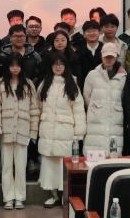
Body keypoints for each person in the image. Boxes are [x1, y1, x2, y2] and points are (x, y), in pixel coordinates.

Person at [37, 54, 86, 208]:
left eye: (61, 64)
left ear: (65, 66)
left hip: (65, 133)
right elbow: (39, 107)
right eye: (55, 64)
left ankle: (65, 196)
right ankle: (52, 196)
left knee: (63, 166)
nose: (58, 67)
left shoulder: (72, 84)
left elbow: (78, 110)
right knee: (49, 167)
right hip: (47, 133)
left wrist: (79, 133)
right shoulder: (44, 84)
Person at [0, 55, 40, 211]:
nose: (14, 68)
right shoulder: (0, 83)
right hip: (5, 131)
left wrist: (33, 131)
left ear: (21, 67)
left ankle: (19, 197)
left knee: (20, 166)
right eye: (12, 65)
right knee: (6, 166)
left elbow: (34, 109)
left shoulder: (28, 84)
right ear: (7, 67)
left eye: (17, 65)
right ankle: (8, 198)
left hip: (23, 130)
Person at [82, 42, 126, 155]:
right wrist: (96, 108)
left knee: (113, 157)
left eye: (111, 56)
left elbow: (124, 99)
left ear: (116, 56)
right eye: (106, 56)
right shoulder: (92, 75)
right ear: (101, 56)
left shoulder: (123, 77)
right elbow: (86, 97)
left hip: (116, 121)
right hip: (95, 121)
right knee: (93, 156)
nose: (109, 59)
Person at [75, 20, 103, 87]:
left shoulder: (105, 49)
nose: (92, 33)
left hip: (103, 87)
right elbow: (77, 74)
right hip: (84, 87)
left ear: (99, 32)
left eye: (94, 31)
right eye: (88, 31)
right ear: (84, 34)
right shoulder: (78, 53)